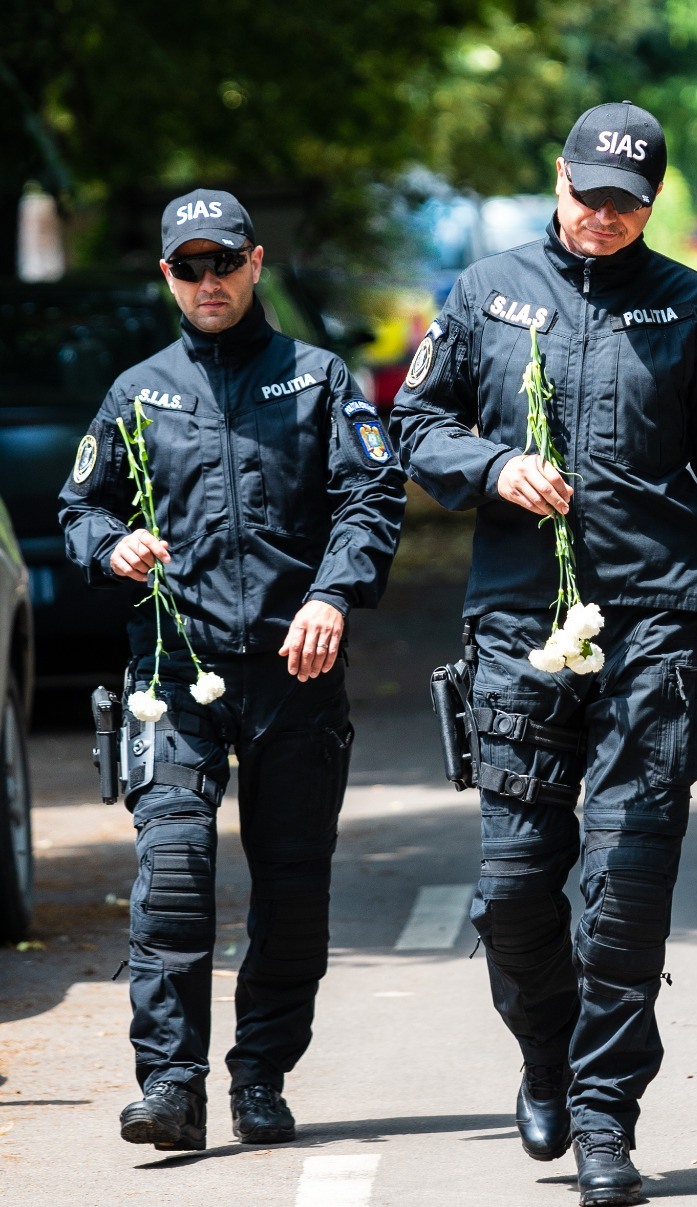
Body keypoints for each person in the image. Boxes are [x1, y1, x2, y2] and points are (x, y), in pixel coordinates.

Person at [392, 101, 697, 1207]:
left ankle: (606, 1116)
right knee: (512, 891)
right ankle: (547, 1054)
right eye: (587, 196)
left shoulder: (688, 305)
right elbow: (414, 425)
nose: (602, 218)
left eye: (626, 203)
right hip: (518, 623)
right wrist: (491, 466)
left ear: (650, 204)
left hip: (652, 622)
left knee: (623, 889)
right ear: (556, 177)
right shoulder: (486, 292)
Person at [59, 189, 407, 1150]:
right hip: (173, 674)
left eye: (223, 263)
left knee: (290, 887)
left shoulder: (317, 379)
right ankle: (171, 1086)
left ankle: (261, 1075)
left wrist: (332, 596)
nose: (207, 281)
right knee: (172, 872)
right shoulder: (137, 392)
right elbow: (80, 508)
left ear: (255, 262)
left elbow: (372, 497)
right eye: (189, 267)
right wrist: (113, 545)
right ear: (166, 275)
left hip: (297, 671)